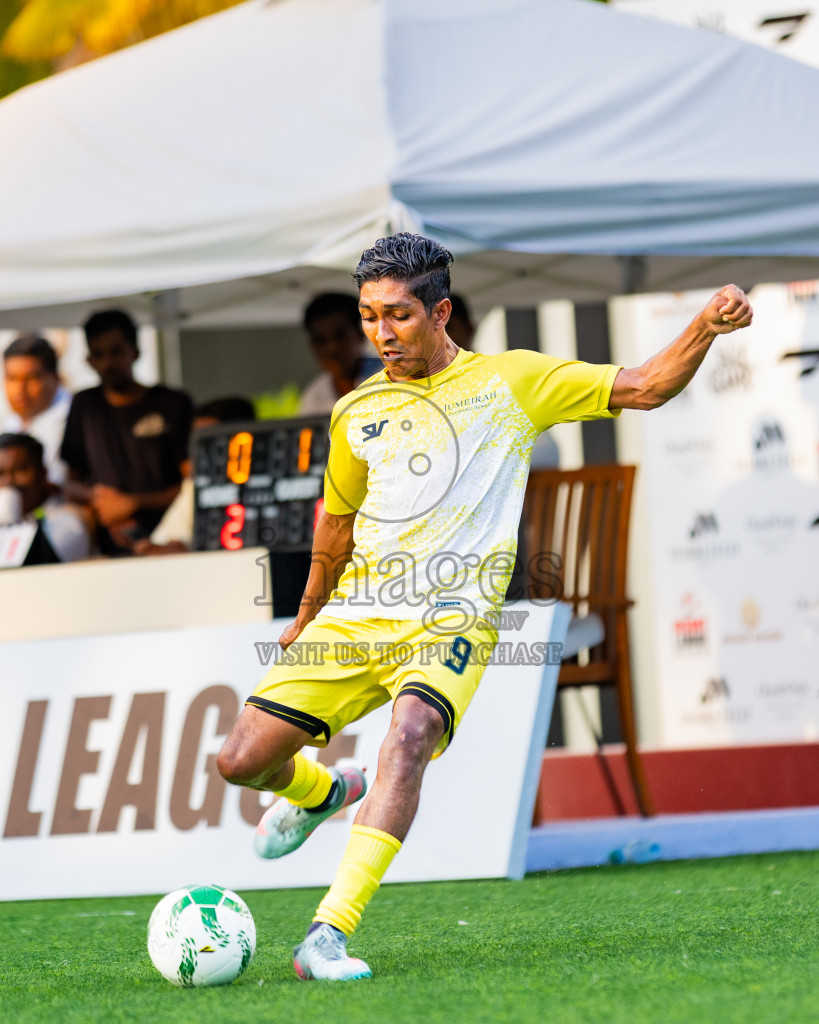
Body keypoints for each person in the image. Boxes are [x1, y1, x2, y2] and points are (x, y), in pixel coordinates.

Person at [216, 233, 752, 981]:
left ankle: (326, 935)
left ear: (440, 312)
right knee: (239, 760)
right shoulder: (354, 412)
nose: (379, 334)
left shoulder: (514, 380)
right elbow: (335, 523)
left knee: (407, 735)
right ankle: (324, 790)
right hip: (357, 614)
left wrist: (703, 326)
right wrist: (306, 616)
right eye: (369, 316)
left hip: (451, 620)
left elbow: (644, 386)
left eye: (396, 315)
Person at [60, 309, 193, 554]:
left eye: (116, 352)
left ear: (135, 351)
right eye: (98, 354)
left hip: (172, 538)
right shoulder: (85, 404)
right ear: (88, 360)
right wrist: (104, 505)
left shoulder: (172, 403)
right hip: (109, 542)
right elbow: (71, 482)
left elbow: (191, 483)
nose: (108, 363)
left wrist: (132, 504)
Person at [134, 396, 255, 555]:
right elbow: (164, 545)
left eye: (211, 442)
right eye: (198, 443)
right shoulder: (195, 485)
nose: (201, 454)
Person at [0, 433, 90, 563]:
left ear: (43, 473)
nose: (9, 482)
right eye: (0, 474)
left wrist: (10, 523)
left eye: (20, 470)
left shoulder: (68, 521)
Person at [2, 334, 72, 485]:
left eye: (31, 378)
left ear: (55, 377)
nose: (19, 390)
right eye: (12, 378)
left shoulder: (76, 421)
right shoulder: (12, 422)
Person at [299, 293, 373, 415]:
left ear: (361, 335)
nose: (332, 348)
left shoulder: (396, 380)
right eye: (320, 340)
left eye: (340, 336)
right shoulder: (314, 399)